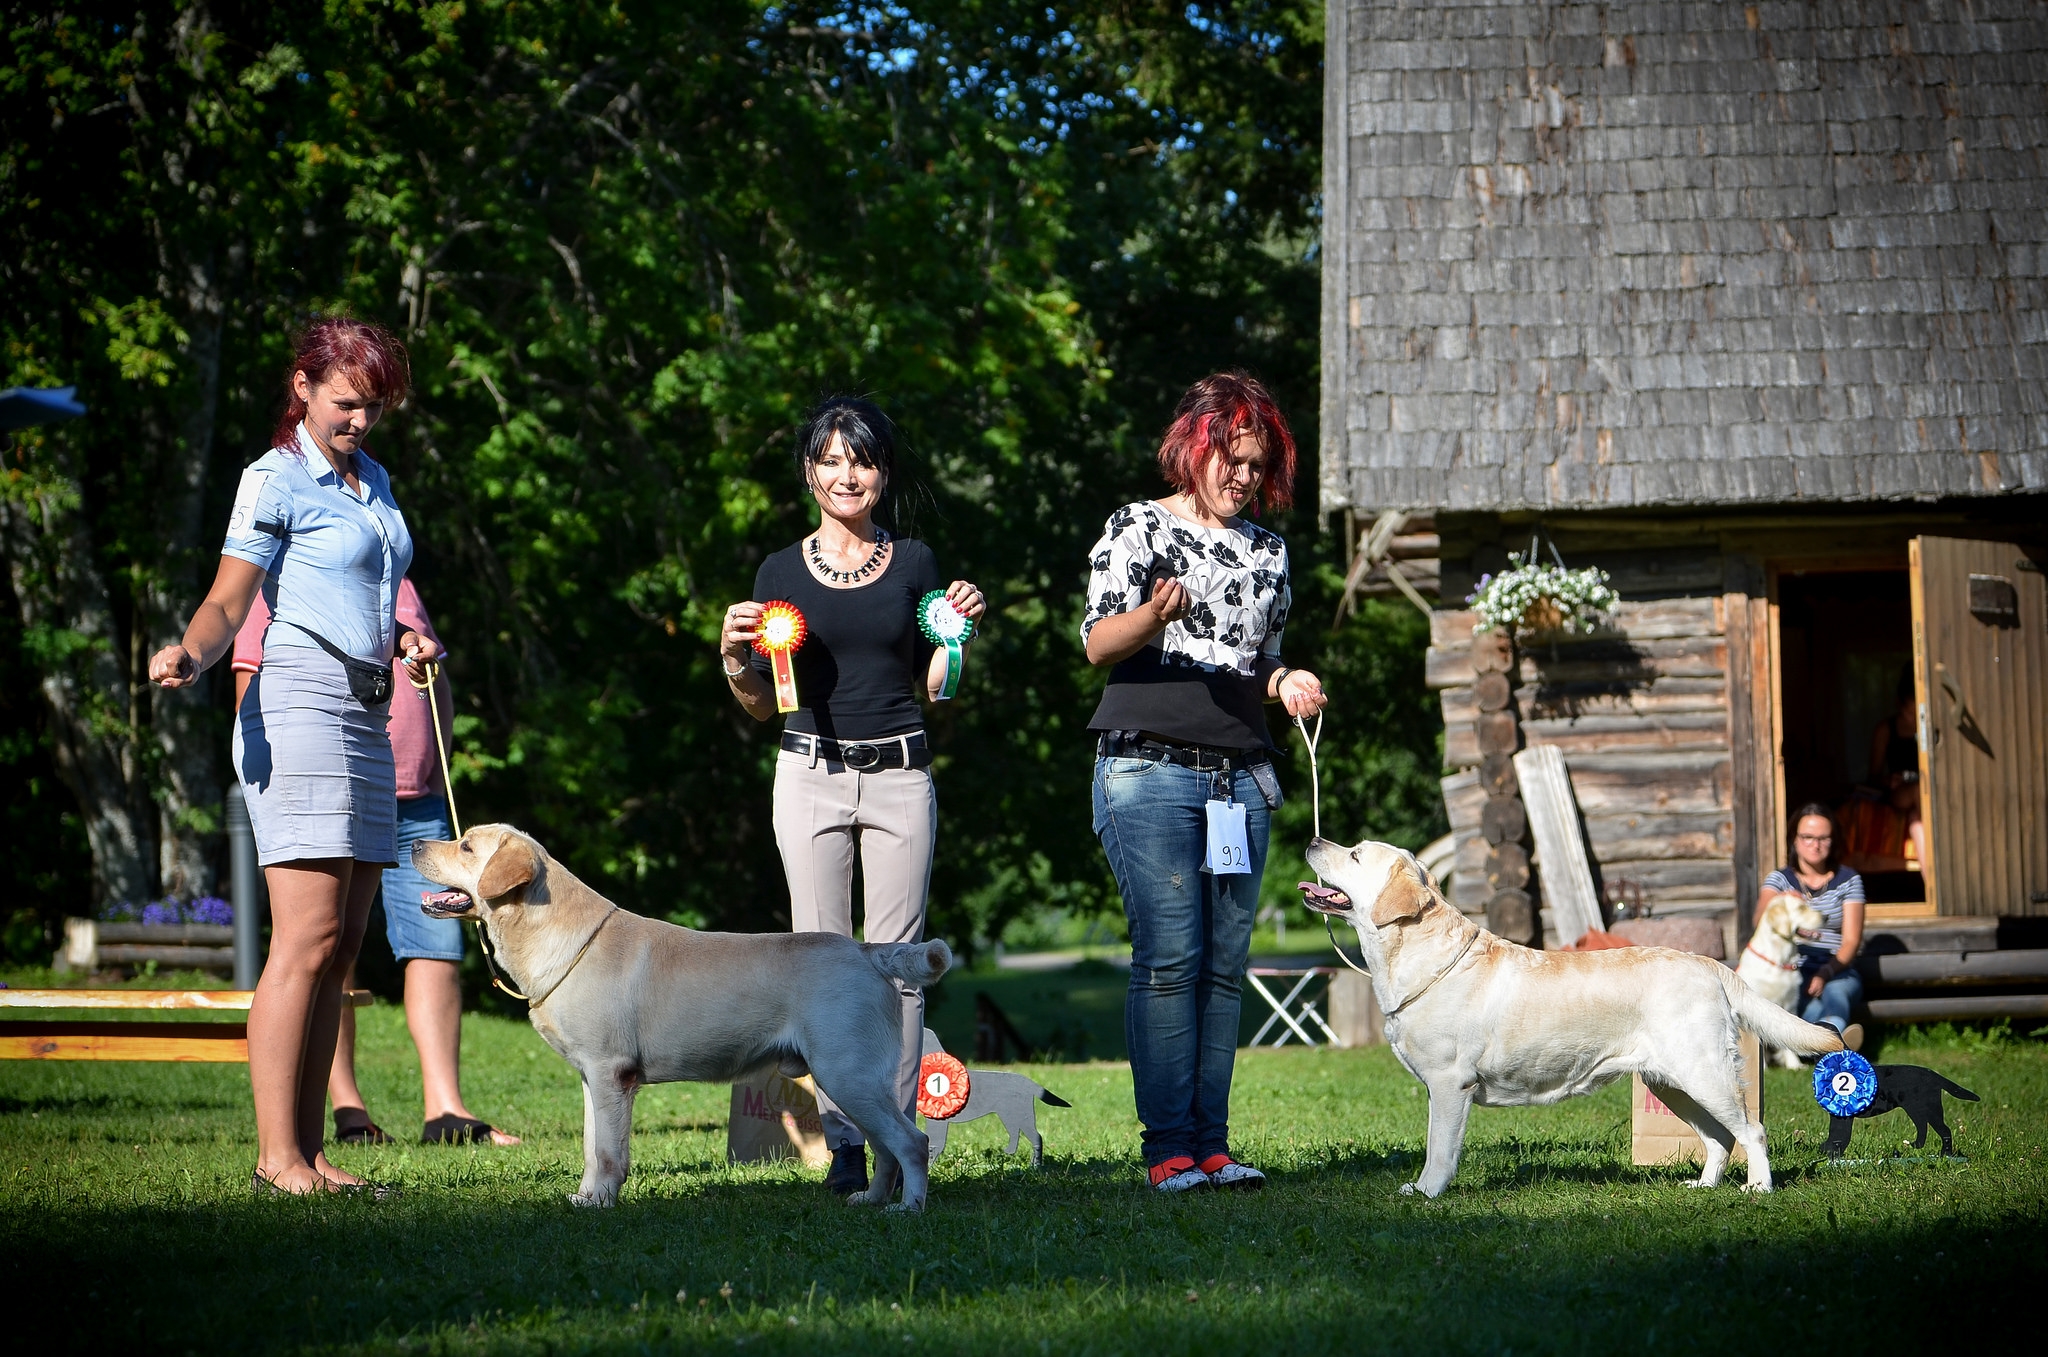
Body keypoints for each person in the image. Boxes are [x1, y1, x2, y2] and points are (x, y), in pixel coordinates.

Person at [150, 316, 439, 1196]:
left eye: (373, 407)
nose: (360, 421)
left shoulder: (372, 480)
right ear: (303, 390)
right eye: (347, 403)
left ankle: (312, 1153)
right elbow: (229, 601)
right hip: (299, 703)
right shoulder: (272, 478)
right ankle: (277, 1156)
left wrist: (400, 635)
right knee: (305, 936)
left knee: (345, 944)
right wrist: (191, 654)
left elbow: (353, 588)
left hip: (367, 707)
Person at [717, 397, 985, 1198]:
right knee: (821, 965)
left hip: (902, 774)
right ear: (809, 471)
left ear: (883, 472)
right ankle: (844, 1147)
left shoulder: (915, 563)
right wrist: (733, 659)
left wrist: (958, 640)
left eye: (860, 460)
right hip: (807, 775)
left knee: (899, 965)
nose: (846, 474)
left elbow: (937, 684)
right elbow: (765, 704)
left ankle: (902, 1144)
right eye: (830, 460)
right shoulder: (776, 573)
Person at [1080, 371, 1327, 1193]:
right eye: (1231, 458)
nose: (1243, 477)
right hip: (1146, 771)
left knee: (1225, 967)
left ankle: (1213, 1148)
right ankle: (1167, 1152)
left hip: (1239, 781)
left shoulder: (1268, 550)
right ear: (1196, 449)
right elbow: (1098, 642)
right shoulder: (1136, 527)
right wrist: (1152, 615)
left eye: (1256, 465)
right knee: (1170, 959)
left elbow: (1253, 656)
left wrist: (1286, 679)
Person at [232, 580, 519, 1146]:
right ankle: (347, 1110)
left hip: (419, 794)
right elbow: (249, 677)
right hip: (335, 787)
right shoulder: (281, 575)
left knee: (435, 945)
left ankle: (446, 1111)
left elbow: (435, 682)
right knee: (330, 946)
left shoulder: (402, 578)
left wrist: (439, 763)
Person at [1757, 803, 1866, 1053]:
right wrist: (1781, 902)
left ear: (1833, 840)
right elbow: (1760, 921)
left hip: (1837, 967)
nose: (1815, 845)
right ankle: (1838, 1040)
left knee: (1836, 992)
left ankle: (1827, 1042)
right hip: (1795, 968)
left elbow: (1850, 942)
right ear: (1794, 840)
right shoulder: (1780, 879)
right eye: (1807, 837)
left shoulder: (1848, 880)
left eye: (1823, 838)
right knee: (1804, 1005)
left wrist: (1827, 971)